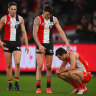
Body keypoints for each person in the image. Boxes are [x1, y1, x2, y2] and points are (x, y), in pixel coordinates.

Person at [33, 3, 70, 93]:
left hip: (49, 44)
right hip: (40, 44)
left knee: (49, 67)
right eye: (46, 14)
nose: (48, 16)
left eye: (49, 14)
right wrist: (40, 45)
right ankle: (38, 87)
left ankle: (48, 87)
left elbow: (60, 31)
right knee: (40, 66)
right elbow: (34, 34)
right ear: (43, 12)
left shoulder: (54, 19)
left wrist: (66, 42)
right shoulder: (38, 19)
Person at [0, 2, 29, 91]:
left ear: (16, 10)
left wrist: (27, 45)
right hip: (7, 43)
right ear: (8, 10)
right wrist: (0, 42)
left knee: (17, 63)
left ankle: (16, 83)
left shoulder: (20, 18)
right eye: (11, 9)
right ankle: (10, 84)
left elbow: (24, 32)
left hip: (17, 43)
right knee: (8, 65)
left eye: (15, 9)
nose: (13, 11)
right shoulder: (4, 19)